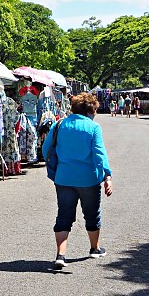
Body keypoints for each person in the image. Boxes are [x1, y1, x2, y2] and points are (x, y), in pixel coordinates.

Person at [41, 92, 113, 269]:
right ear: (90, 110)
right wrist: (107, 176)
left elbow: (46, 149)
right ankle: (94, 248)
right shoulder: (93, 127)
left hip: (64, 177)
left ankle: (60, 255)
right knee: (91, 213)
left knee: (64, 215)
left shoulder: (60, 124)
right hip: (88, 179)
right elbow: (99, 154)